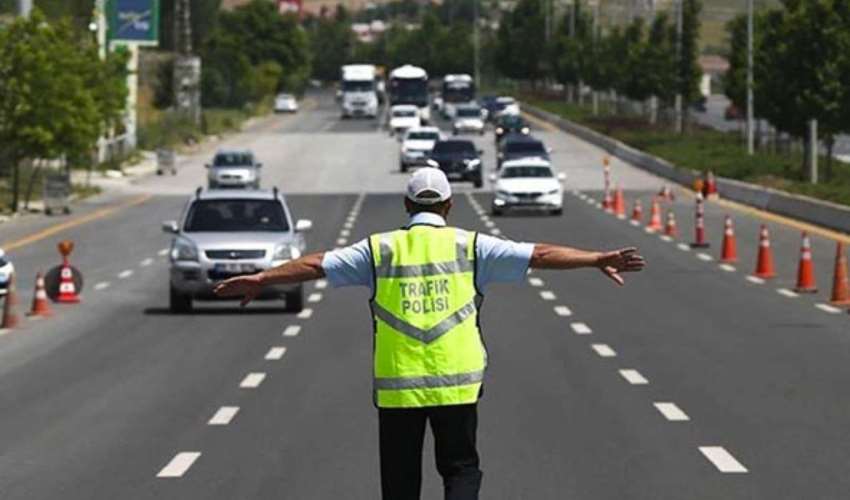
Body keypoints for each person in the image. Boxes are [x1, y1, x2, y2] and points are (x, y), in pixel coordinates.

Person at [214, 168, 646, 500]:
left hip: (398, 388)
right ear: (449, 205)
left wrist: (263, 278)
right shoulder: (472, 246)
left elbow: (315, 264)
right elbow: (540, 254)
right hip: (457, 384)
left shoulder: (378, 249)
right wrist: (594, 258)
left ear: (406, 204)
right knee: (460, 469)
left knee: (400, 482)